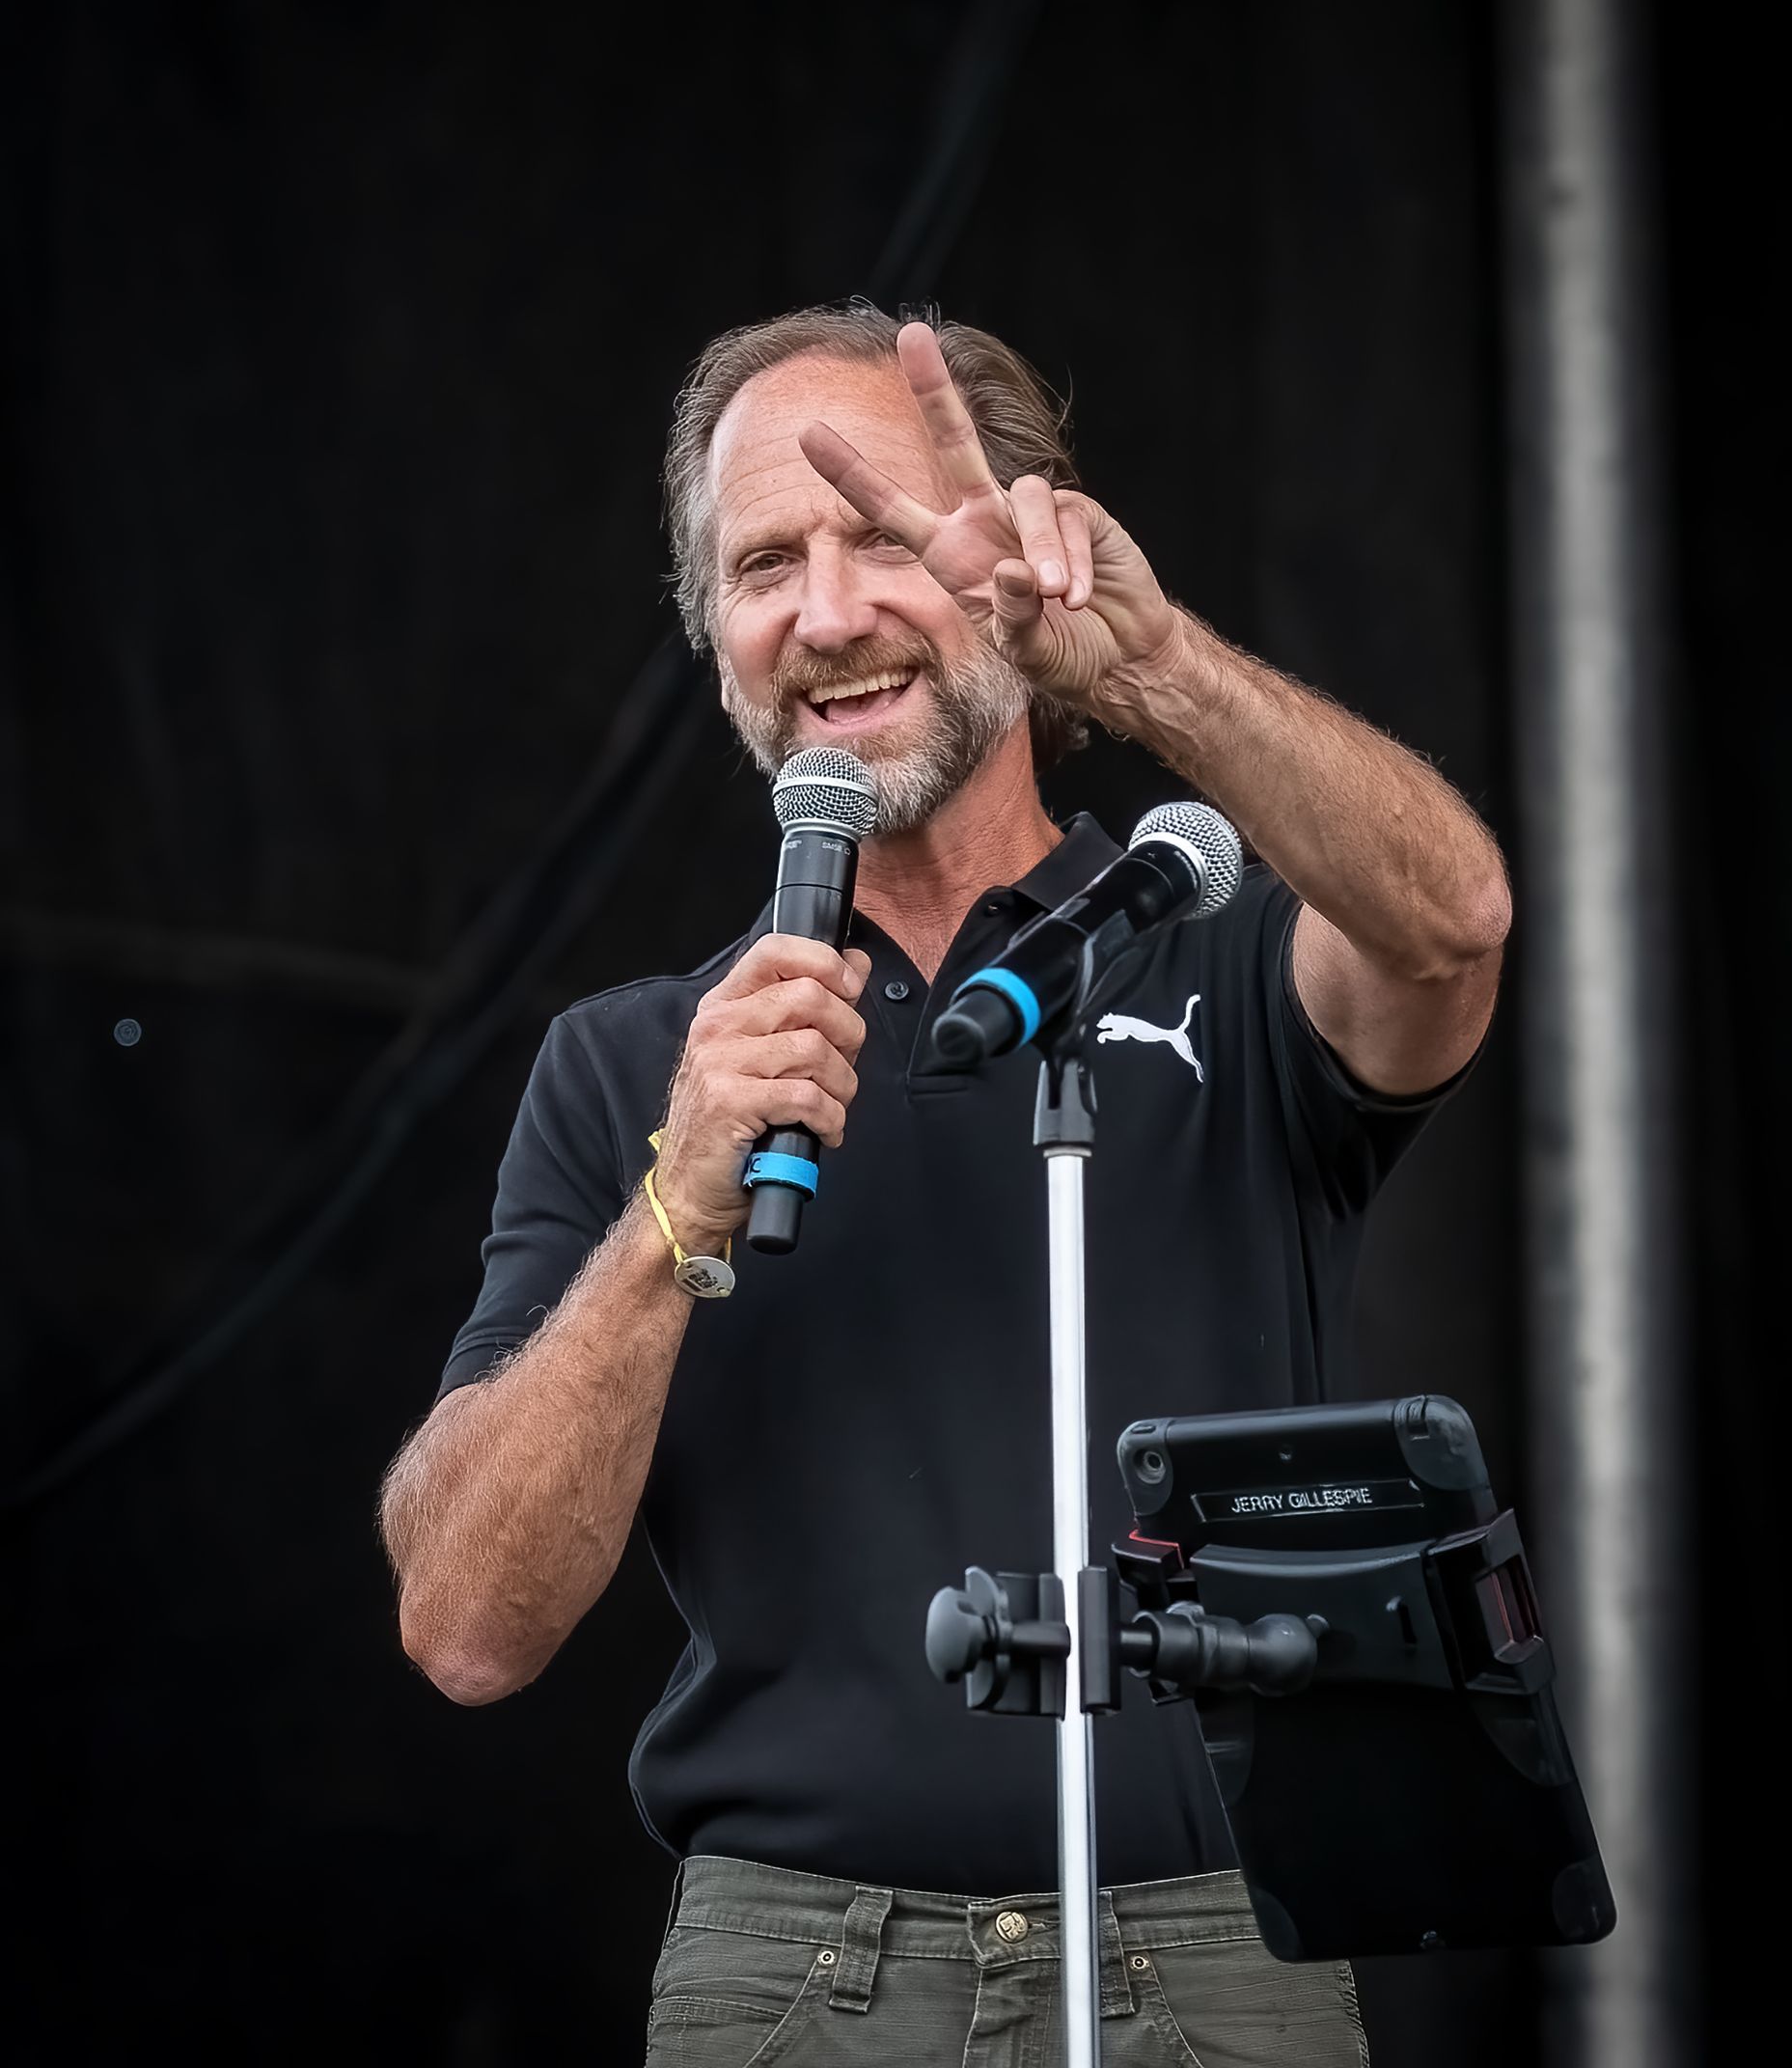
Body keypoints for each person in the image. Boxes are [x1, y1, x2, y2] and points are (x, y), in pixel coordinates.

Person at [379, 302, 1509, 2066]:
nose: (827, 616)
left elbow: (1455, 931)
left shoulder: (1209, 947)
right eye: (765, 564)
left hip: (1209, 1951)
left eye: (885, 539)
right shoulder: (637, 1065)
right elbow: (463, 1625)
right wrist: (673, 1216)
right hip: (798, 1976)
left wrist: (1150, 675)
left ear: (1014, 559)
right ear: (717, 638)